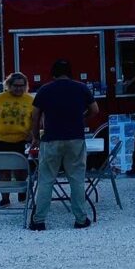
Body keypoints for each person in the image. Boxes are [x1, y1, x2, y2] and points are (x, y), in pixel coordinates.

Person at [29, 59, 99, 231]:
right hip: (75, 138)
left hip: (51, 139)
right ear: (70, 72)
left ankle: (39, 221)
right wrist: (81, 118)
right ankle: (81, 219)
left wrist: (35, 136)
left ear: (53, 73)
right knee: (76, 179)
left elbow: (35, 115)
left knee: (46, 180)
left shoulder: (45, 90)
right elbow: (95, 110)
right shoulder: (81, 88)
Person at [0, 72, 34, 207]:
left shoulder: (30, 99)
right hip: (1, 139)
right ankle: (5, 198)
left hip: (22, 140)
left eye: (22, 86)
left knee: (21, 169)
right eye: (15, 86)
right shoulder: (0, 98)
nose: (19, 89)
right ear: (9, 85)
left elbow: (37, 118)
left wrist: (33, 134)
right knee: (3, 170)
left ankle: (21, 193)